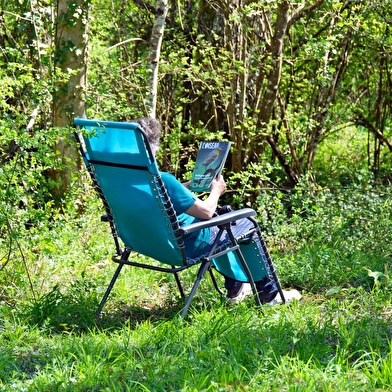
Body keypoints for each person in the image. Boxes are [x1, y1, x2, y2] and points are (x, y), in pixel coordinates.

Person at [134, 117, 301, 304]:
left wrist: (186, 186)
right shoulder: (163, 179)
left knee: (223, 218)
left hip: (146, 243)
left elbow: (158, 196)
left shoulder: (124, 180)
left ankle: (235, 288)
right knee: (246, 223)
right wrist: (216, 191)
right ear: (153, 148)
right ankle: (269, 294)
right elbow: (205, 212)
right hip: (184, 245)